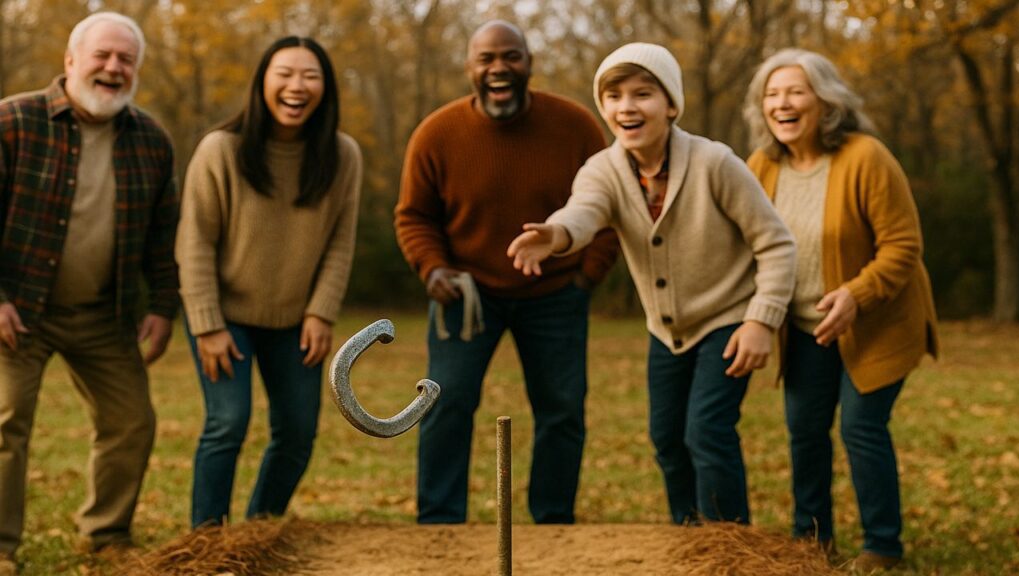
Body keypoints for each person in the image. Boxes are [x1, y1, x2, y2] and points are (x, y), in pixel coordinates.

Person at [508, 43, 796, 525]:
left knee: (706, 430)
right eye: (615, 96)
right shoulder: (605, 170)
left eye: (643, 93)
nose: (627, 106)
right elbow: (584, 211)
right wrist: (556, 234)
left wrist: (761, 322)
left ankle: (728, 546)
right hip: (666, 330)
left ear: (671, 105)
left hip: (728, 319)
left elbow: (776, 244)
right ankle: (689, 536)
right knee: (666, 437)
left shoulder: (715, 163)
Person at [395, 20, 618, 524]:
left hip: (557, 292)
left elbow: (610, 204)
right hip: (466, 294)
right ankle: (439, 522)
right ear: (470, 67)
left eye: (511, 57)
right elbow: (413, 216)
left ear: (529, 62)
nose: (499, 68)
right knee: (444, 403)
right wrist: (432, 269)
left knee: (562, 408)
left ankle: (553, 519)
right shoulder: (436, 132)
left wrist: (587, 277)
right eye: (487, 58)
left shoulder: (576, 126)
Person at [742, 48, 939, 571]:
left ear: (825, 101)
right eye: (772, 94)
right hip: (805, 329)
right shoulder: (761, 166)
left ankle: (883, 546)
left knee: (860, 426)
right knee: (805, 430)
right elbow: (743, 243)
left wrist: (856, 294)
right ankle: (812, 541)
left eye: (795, 91)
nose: (782, 103)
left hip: (877, 321)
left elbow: (903, 245)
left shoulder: (866, 157)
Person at [0, 11, 178, 569]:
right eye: (102, 55)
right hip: (19, 307)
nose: (113, 68)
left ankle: (106, 535)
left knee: (131, 421)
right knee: (6, 422)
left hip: (103, 313)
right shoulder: (13, 121)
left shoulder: (150, 140)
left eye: (126, 60)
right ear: (71, 61)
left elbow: (162, 233)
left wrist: (164, 307)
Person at [176, 36, 361, 528]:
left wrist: (322, 312)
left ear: (325, 89)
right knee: (227, 424)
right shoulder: (221, 149)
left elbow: (341, 242)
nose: (296, 86)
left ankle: (259, 531)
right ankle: (209, 541)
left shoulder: (343, 156)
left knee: (298, 432)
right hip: (225, 320)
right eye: (284, 74)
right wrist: (206, 325)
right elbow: (194, 242)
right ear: (262, 83)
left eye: (310, 76)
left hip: (296, 322)